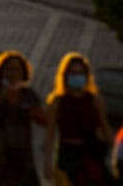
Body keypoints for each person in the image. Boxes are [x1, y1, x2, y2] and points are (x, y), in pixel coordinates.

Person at [0, 50, 46, 186]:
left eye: (16, 70)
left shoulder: (28, 94)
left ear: (23, 73)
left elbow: (45, 120)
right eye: (8, 69)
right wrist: (1, 96)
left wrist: (34, 112)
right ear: (1, 72)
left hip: (22, 157)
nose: (12, 74)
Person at [44, 52, 115, 186]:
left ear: (86, 76)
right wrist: (48, 162)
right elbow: (50, 134)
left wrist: (117, 153)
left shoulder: (94, 100)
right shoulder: (57, 102)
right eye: (73, 73)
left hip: (91, 154)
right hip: (67, 155)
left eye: (80, 73)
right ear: (65, 76)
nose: (77, 77)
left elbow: (106, 129)